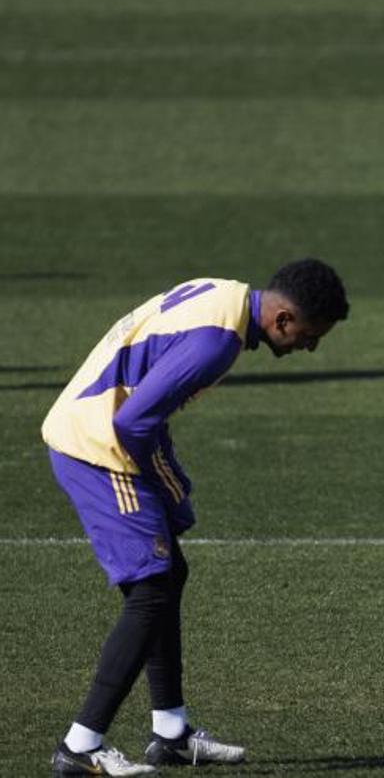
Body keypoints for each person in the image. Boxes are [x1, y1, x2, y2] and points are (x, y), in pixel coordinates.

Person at [43, 259, 349, 776]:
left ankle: (171, 733)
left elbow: (145, 401)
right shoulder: (217, 343)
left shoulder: (224, 294)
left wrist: (170, 482)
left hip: (96, 432)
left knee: (168, 574)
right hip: (97, 447)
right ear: (281, 320)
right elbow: (134, 420)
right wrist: (170, 487)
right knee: (150, 589)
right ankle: (81, 746)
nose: (308, 347)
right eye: (309, 336)